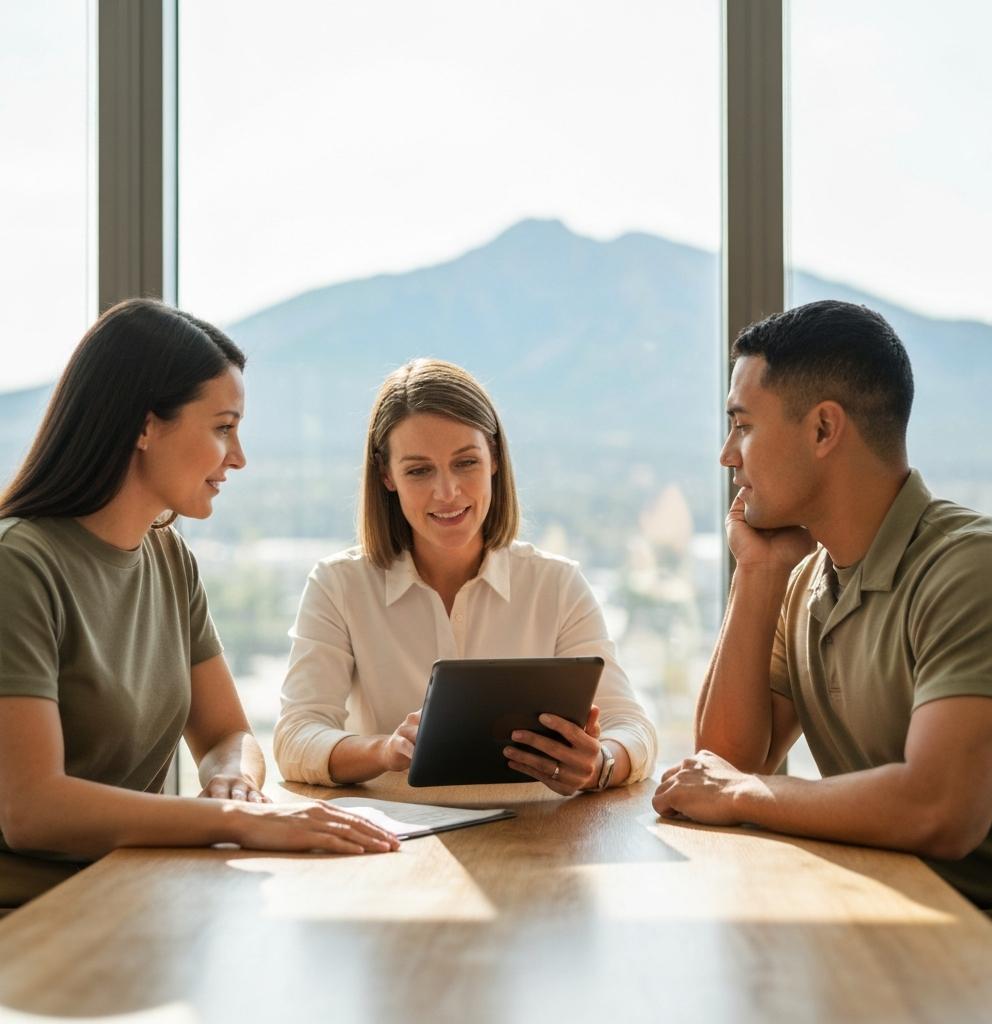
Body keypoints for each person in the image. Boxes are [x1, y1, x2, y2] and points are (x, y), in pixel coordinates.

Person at [0, 299, 399, 908]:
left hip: (132, 897)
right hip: (29, 926)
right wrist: (238, 822)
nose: (237, 457)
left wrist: (232, 780)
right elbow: (31, 809)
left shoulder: (168, 559)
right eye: (222, 427)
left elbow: (227, 732)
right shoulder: (19, 565)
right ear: (143, 424)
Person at [653, 299, 992, 940]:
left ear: (824, 430)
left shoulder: (975, 569)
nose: (725, 455)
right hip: (880, 923)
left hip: (991, 949)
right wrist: (759, 575)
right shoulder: (803, 580)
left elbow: (943, 810)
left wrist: (745, 795)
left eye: (742, 425)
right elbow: (724, 760)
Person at [274, 358, 656, 794]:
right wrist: (385, 751)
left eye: (465, 463)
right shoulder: (338, 586)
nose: (447, 492)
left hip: (537, 840)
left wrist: (600, 764)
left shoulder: (557, 585)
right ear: (386, 475)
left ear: (494, 458)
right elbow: (294, 738)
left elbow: (633, 727)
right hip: (398, 848)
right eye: (419, 470)